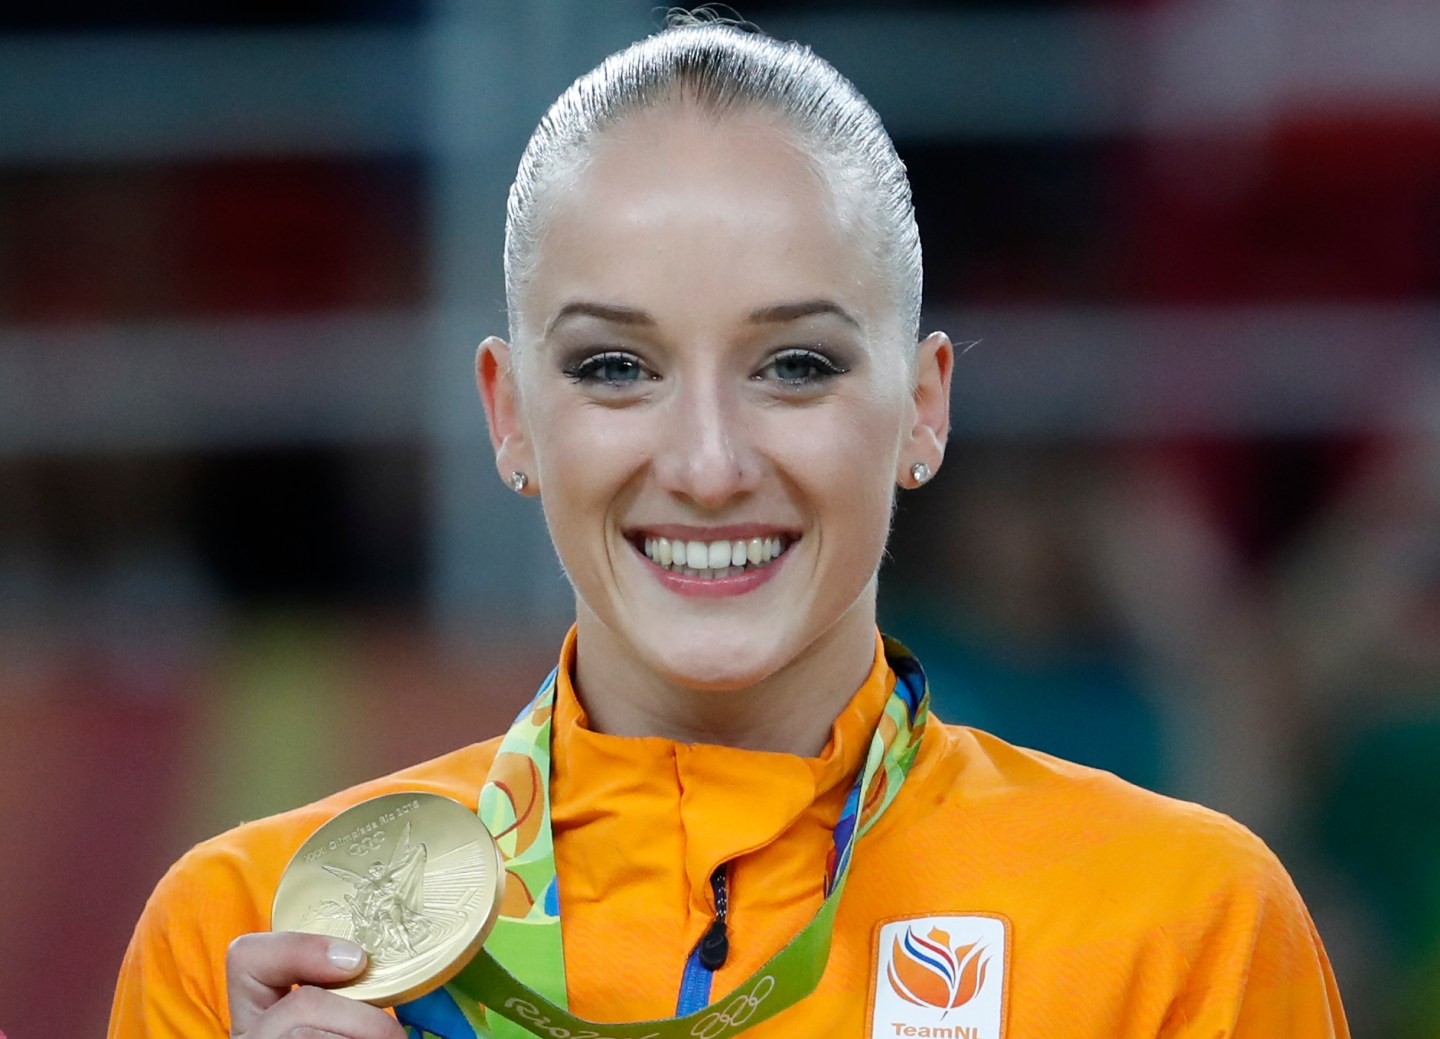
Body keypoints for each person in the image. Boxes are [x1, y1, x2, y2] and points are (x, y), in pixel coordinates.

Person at [109, 17, 1350, 1039]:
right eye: (614, 367)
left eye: (796, 365)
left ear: (923, 410)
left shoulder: (1179, 929)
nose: (708, 465)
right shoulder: (250, 943)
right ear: (511, 417)